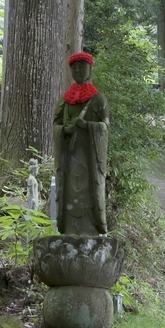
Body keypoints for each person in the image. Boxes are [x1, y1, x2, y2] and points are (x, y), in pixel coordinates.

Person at [53, 51, 109, 236]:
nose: (77, 71)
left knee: (89, 191)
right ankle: (69, 228)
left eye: (82, 67)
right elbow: (56, 125)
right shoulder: (65, 100)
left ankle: (91, 228)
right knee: (69, 191)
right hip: (68, 159)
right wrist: (64, 130)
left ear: (90, 69)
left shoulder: (98, 99)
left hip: (89, 158)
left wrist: (88, 126)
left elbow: (105, 126)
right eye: (74, 67)